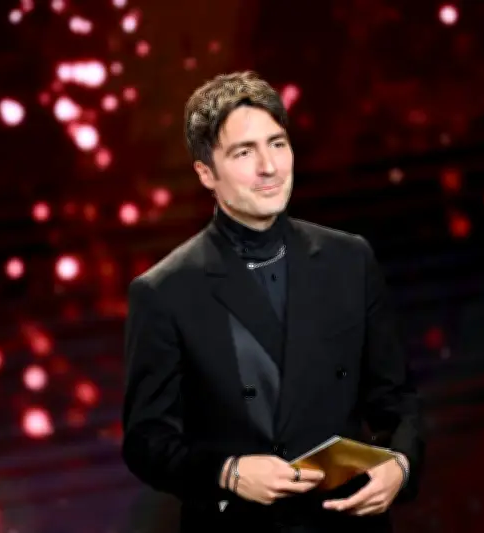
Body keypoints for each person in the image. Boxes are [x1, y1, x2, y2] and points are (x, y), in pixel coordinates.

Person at [121, 71, 424, 533]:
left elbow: (396, 398)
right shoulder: (165, 291)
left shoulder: (349, 258)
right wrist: (228, 473)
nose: (269, 167)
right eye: (244, 152)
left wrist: (400, 464)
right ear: (205, 173)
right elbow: (146, 441)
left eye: (277, 144)